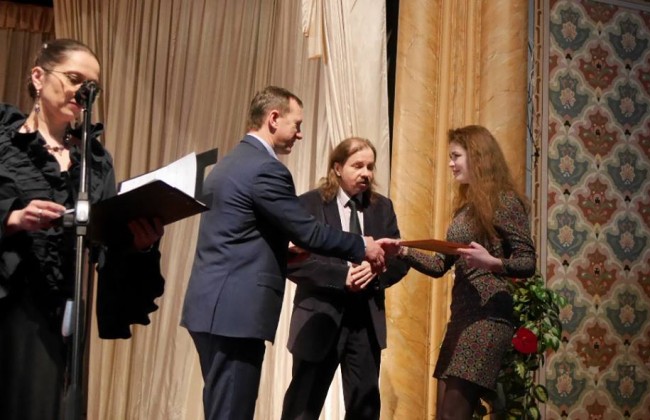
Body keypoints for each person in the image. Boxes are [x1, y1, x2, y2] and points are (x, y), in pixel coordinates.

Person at [181, 86, 391, 420]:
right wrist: (361, 245)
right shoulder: (266, 168)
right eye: (297, 124)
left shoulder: (228, 163)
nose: (300, 133)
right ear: (274, 118)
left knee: (222, 408)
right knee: (232, 411)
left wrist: (283, 254)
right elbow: (307, 232)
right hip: (236, 313)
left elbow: (240, 237)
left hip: (210, 307)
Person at [0, 39, 165, 420]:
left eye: (91, 86)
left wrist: (139, 245)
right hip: (9, 301)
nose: (83, 92)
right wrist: (12, 219)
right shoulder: (5, 144)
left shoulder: (94, 161)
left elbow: (107, 241)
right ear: (38, 77)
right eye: (74, 79)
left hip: (65, 306)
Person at [397, 125, 536, 419]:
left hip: (487, 319)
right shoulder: (465, 209)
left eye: (455, 156)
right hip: (461, 319)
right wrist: (403, 251)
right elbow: (440, 265)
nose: (450, 164)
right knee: (445, 415)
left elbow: (527, 261)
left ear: (477, 156)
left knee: (452, 415)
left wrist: (492, 262)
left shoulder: (504, 201)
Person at [281, 137, 410, 420]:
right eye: (358, 166)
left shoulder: (382, 207)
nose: (366, 173)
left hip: (365, 323)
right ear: (338, 168)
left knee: (365, 411)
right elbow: (293, 262)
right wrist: (342, 276)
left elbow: (400, 259)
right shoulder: (309, 204)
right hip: (320, 318)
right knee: (302, 408)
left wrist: (376, 270)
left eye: (370, 167)